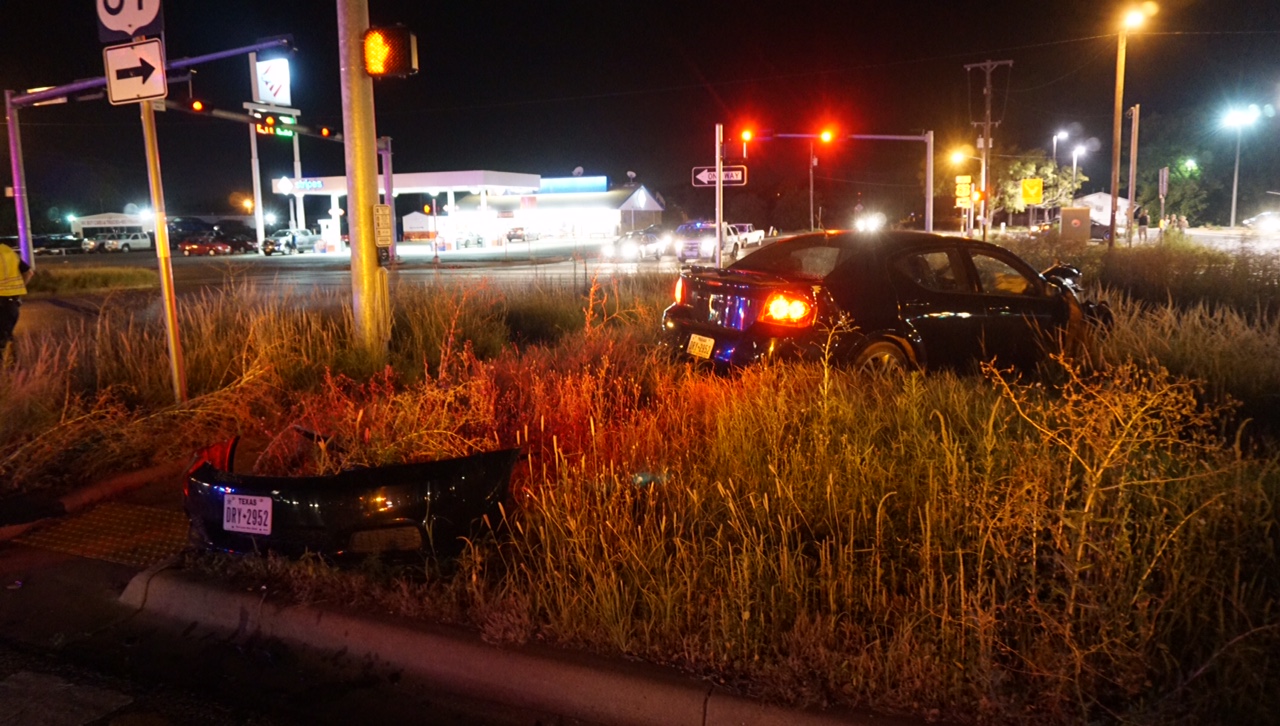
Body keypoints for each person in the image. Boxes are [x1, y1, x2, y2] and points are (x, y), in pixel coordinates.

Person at [0, 243, 34, 355]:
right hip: (12, 303)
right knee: (6, 336)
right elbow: (29, 273)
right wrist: (19, 290)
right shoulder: (8, 251)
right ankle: (12, 367)